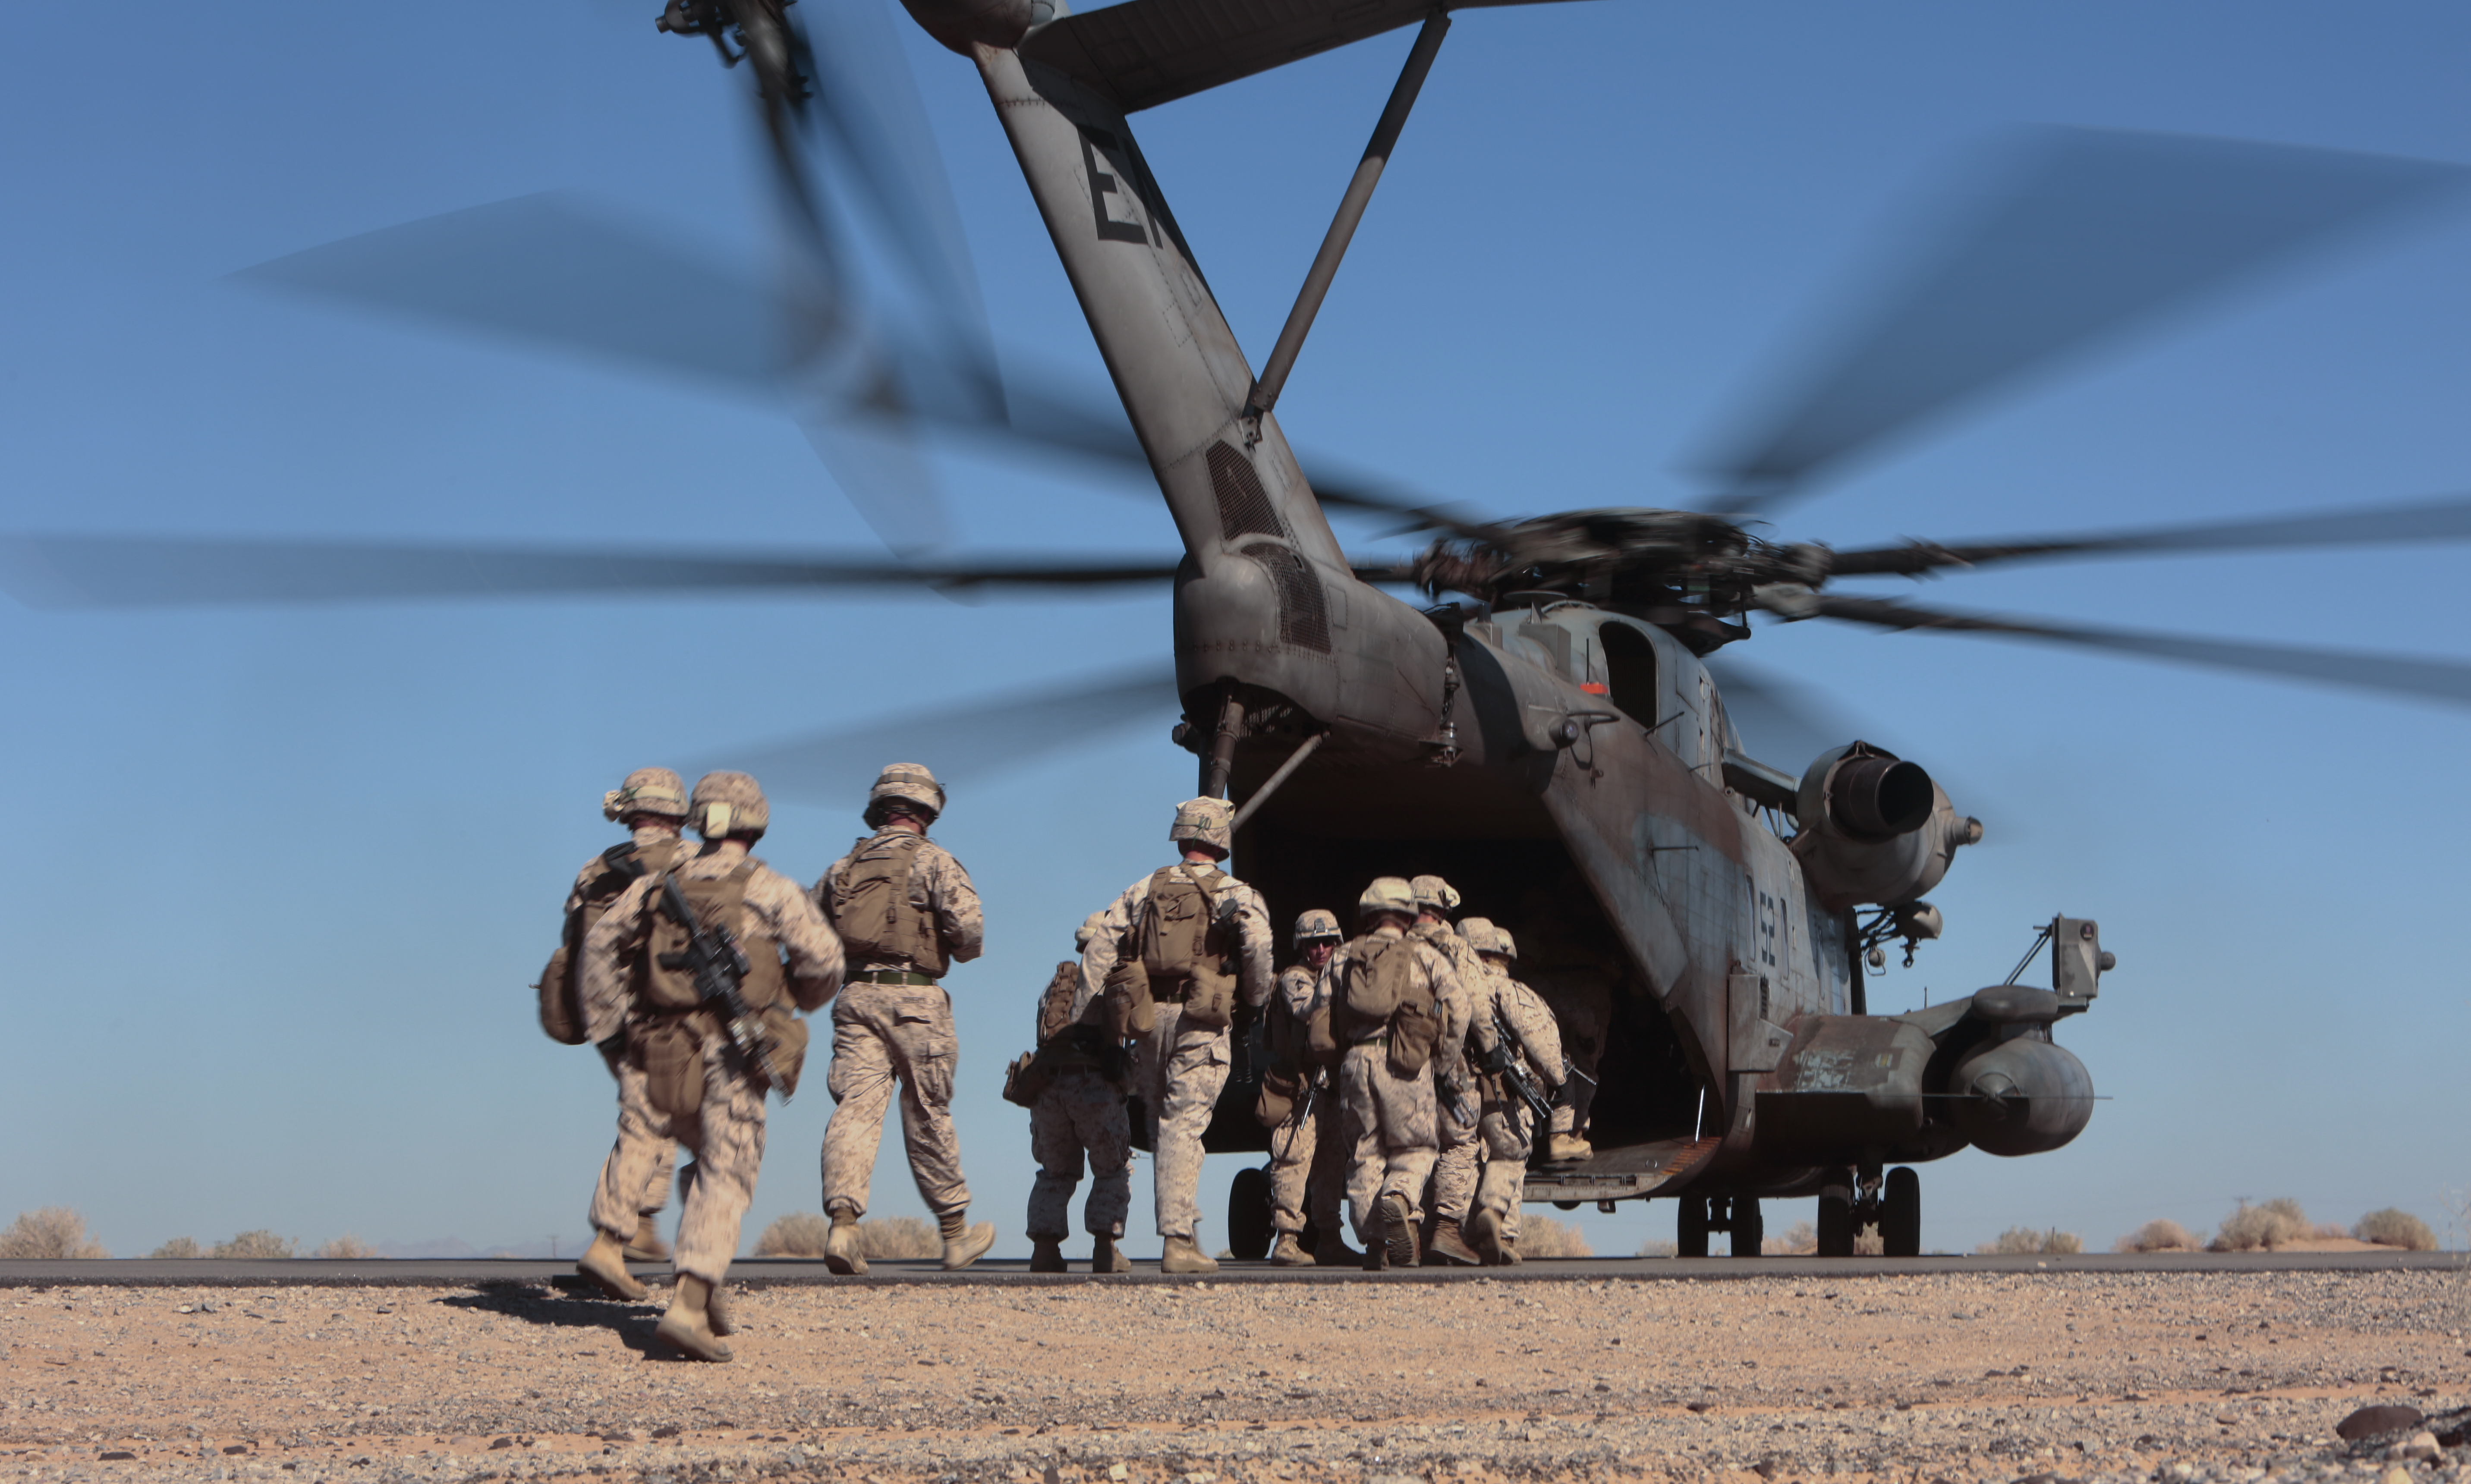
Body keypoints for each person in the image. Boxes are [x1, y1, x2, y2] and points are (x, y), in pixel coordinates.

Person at [577, 771, 841, 1362]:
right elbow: (824, 960)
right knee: (727, 1170)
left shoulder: (656, 885)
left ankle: (646, 1257)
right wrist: (792, 996)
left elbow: (600, 948)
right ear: (753, 821)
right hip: (731, 1052)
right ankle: (689, 1306)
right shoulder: (768, 888)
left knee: (661, 1143)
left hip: (655, 1046)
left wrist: (614, 1027)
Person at [812, 763, 995, 1274]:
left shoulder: (841, 868)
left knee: (855, 1109)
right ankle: (956, 1234)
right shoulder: (935, 861)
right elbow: (971, 935)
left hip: (855, 998)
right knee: (928, 1110)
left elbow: (810, 934)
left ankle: (843, 1227)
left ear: (881, 809)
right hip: (915, 999)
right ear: (926, 810)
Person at [1080, 798, 1274, 1275]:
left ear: (1183, 835)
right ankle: (1179, 1239)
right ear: (1220, 839)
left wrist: (1090, 1020)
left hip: (1148, 1018)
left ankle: (1162, 1230)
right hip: (1200, 1018)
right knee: (1183, 1124)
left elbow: (1103, 943)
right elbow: (1260, 950)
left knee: (1156, 1125)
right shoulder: (1237, 893)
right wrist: (1252, 1003)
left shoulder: (1147, 886)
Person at [540, 768, 693, 1265]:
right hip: (663, 1008)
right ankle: (626, 1227)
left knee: (650, 1108)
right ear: (678, 812)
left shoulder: (595, 869)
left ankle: (641, 1222)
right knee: (658, 1111)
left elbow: (573, 937)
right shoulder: (692, 860)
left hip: (605, 1009)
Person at [1317, 876, 1465, 1269]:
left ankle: (1375, 1245)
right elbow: (1459, 1010)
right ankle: (1399, 1198)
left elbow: (1316, 1015)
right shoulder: (1424, 956)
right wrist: (1441, 1063)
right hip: (1406, 1064)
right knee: (1415, 1148)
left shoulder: (1341, 956)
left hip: (1355, 1062)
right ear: (1407, 914)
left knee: (1364, 1153)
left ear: (1368, 914)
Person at [1024, 912, 1135, 1274]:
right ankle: (1105, 1249)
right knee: (1112, 1168)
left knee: (1055, 1172)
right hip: (1093, 1086)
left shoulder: (1054, 986)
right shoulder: (1112, 985)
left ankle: (1045, 1250)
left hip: (1048, 1089)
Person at [1454, 917, 1564, 1265]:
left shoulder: (1445, 985)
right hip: (1503, 1089)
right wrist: (1556, 1082)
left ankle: (1460, 1237)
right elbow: (1544, 1050)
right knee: (1511, 1154)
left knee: (1461, 1160)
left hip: (1453, 1090)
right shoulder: (1511, 991)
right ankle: (1497, 1221)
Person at [1260, 909, 1356, 1267]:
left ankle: (1329, 1237)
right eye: (1313, 944)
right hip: (1301, 1087)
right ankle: (1286, 1239)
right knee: (1292, 1159)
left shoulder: (1340, 978)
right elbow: (1308, 1010)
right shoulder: (1295, 980)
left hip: (1331, 1087)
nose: (1321, 950)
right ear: (1302, 947)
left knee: (1331, 1163)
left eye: (1328, 943)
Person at [1407, 875, 1487, 1266]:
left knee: (1407, 1147)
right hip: (1447, 1062)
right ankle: (1447, 1229)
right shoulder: (1455, 948)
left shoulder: (1390, 947)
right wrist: (1490, 1052)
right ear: (1442, 909)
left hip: (1397, 1065)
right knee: (1459, 1142)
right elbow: (1477, 1009)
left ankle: (1408, 1231)